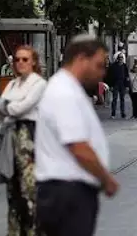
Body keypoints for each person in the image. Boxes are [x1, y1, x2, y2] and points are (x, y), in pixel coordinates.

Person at [35, 36, 119, 236]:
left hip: (64, 192)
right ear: (81, 58)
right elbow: (78, 147)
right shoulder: (65, 93)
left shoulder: (68, 88)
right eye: (99, 65)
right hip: (67, 193)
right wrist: (106, 179)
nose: (103, 72)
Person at [0, 45, 47, 235]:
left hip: (29, 137)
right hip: (11, 136)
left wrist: (5, 106)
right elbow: (5, 110)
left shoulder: (39, 84)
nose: (20, 63)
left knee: (29, 191)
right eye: (17, 59)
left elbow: (21, 108)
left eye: (25, 59)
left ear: (33, 61)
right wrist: (7, 107)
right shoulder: (12, 84)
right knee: (13, 188)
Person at [106, 54, 130, 119]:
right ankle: (113, 113)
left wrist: (127, 86)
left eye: (122, 58)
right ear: (117, 58)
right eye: (119, 58)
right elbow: (109, 76)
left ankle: (123, 113)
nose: (121, 59)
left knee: (122, 99)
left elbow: (127, 76)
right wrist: (110, 86)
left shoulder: (124, 66)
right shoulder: (113, 66)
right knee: (114, 99)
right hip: (115, 84)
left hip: (122, 84)